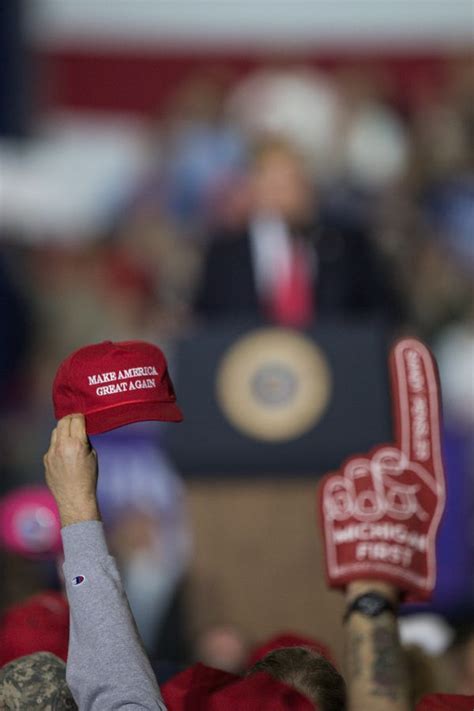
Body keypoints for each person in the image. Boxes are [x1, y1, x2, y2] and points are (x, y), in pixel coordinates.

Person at [195, 136, 400, 327]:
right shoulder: (223, 254)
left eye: (294, 179)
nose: (288, 191)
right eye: (276, 181)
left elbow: (381, 315)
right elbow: (206, 326)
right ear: (255, 186)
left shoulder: (348, 245)